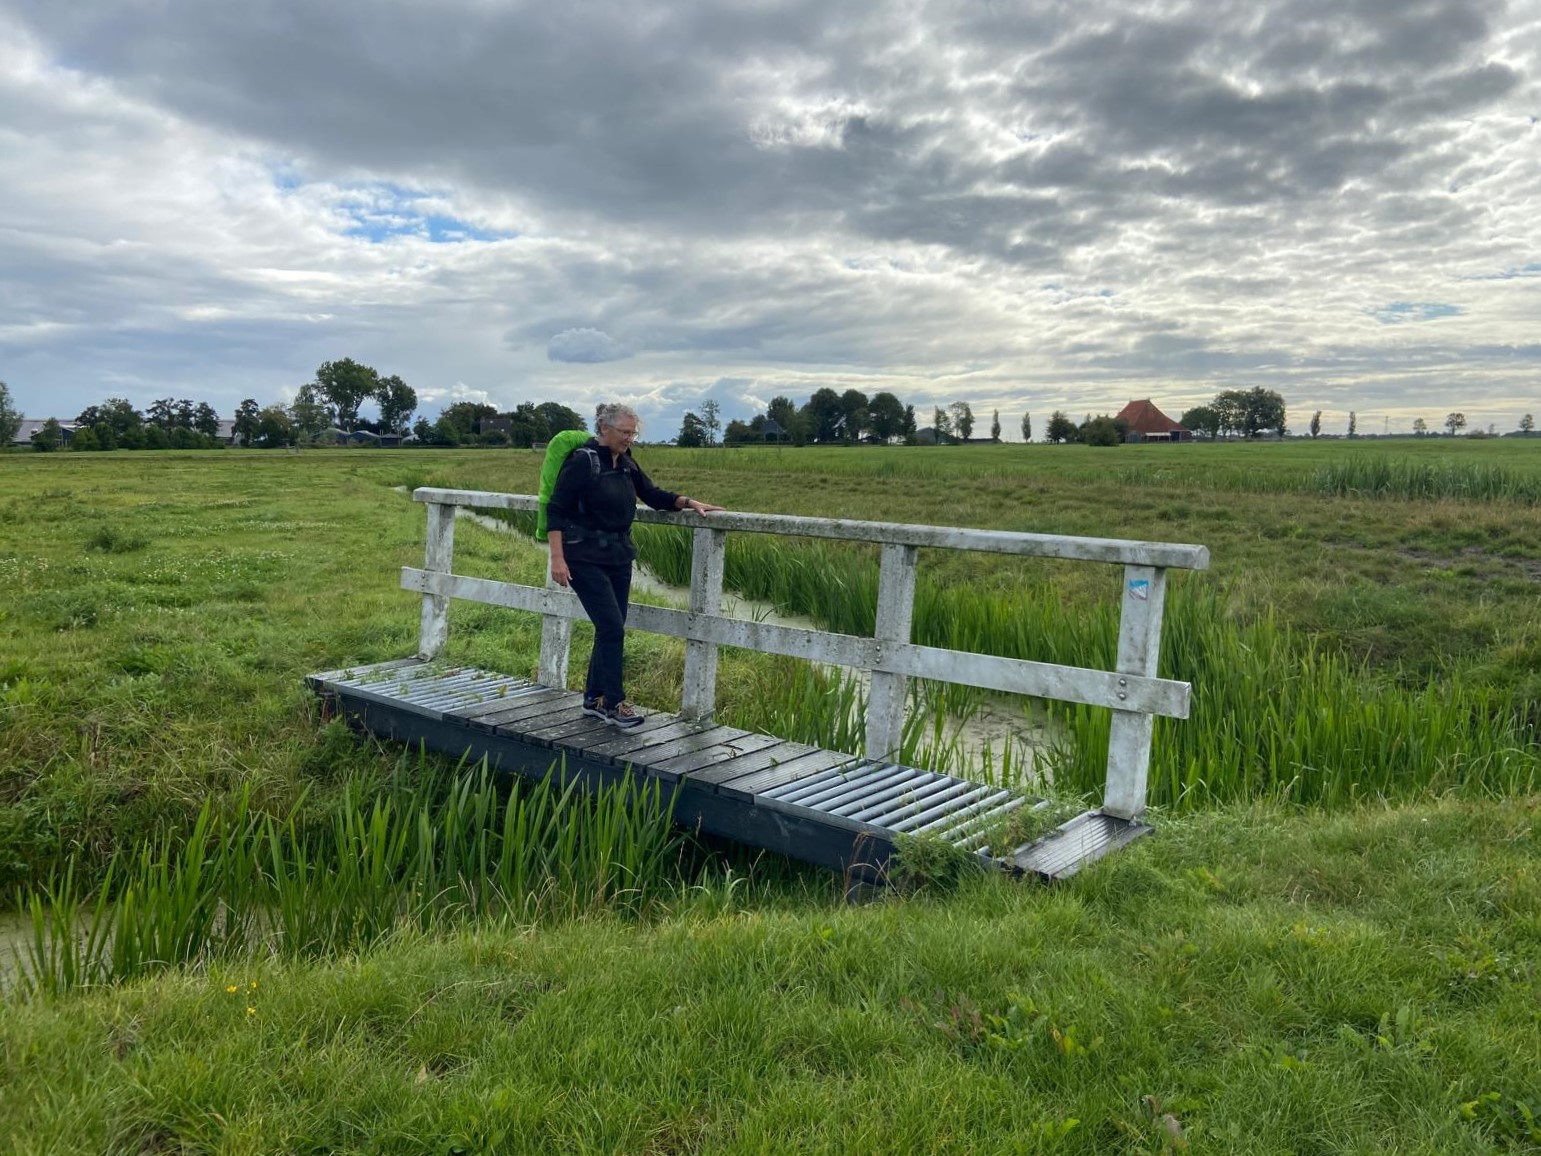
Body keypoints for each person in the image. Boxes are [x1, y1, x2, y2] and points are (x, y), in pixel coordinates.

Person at [546, 403, 724, 728]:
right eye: (624, 432)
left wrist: (687, 502)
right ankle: (614, 703)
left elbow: (652, 495)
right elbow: (556, 510)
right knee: (612, 627)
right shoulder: (582, 463)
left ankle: (593, 699)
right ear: (604, 429)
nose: (630, 438)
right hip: (583, 556)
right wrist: (557, 558)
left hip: (618, 556)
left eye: (633, 432)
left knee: (609, 627)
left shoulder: (627, 464)